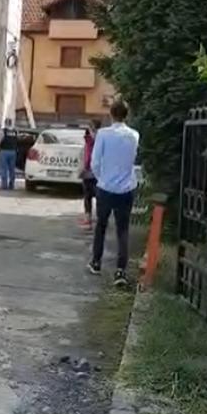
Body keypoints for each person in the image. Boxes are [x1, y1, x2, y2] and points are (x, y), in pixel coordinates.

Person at [88, 101, 140, 287]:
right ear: (127, 115)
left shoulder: (103, 134)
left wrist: (102, 178)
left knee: (101, 226)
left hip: (106, 188)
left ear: (111, 114)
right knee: (122, 229)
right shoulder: (134, 135)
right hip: (126, 188)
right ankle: (120, 271)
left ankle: (96, 262)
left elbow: (95, 162)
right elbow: (132, 159)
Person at [79, 121, 101, 230]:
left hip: (90, 172)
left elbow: (87, 156)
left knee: (88, 196)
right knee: (95, 196)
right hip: (96, 173)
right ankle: (95, 219)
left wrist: (84, 168)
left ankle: (89, 219)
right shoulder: (100, 139)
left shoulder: (90, 141)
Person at [0, 119, 19, 190]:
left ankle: (4, 185)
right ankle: (11, 184)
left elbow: (0, 140)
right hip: (13, 151)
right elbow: (17, 140)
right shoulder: (15, 131)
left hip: (4, 151)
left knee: (3, 168)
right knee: (12, 169)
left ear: (5, 123)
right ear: (11, 123)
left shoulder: (3, 131)